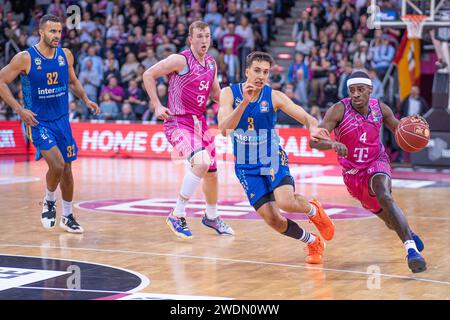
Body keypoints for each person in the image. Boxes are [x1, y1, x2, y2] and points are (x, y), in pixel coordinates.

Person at [218, 51, 334, 264]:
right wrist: (243, 103)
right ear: (246, 72)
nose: (261, 76)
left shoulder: (273, 96)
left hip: (270, 156)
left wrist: (312, 128)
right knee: (273, 219)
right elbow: (224, 129)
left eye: (266, 72)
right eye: (257, 71)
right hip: (245, 164)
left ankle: (312, 209)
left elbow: (305, 116)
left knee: (286, 202)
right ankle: (312, 242)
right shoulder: (228, 93)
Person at [309, 71, 426, 273]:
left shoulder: (380, 108)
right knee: (389, 219)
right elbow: (314, 141)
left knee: (384, 194)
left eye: (360, 90)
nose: (356, 94)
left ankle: (411, 250)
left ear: (370, 90)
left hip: (377, 161)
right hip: (353, 175)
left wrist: (414, 129)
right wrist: (331, 144)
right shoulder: (338, 110)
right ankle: (408, 232)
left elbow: (400, 131)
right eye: (352, 90)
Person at [0, 14, 100, 233]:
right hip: (37, 121)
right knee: (57, 164)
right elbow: (1, 80)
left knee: (68, 170)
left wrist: (85, 99)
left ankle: (68, 215)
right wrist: (19, 109)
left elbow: (72, 81)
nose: (57, 35)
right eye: (52, 31)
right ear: (41, 32)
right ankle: (48, 200)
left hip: (62, 119)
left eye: (59, 31)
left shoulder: (66, 55)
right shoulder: (25, 58)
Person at [143, 21, 234, 239]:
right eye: (200, 36)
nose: (204, 40)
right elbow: (148, 74)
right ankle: (178, 213)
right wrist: (156, 104)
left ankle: (211, 216)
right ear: (190, 39)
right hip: (177, 121)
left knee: (212, 172)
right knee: (201, 161)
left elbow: (216, 95)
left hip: (199, 123)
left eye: (207, 36)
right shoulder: (180, 60)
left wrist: (237, 102)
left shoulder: (211, 63)